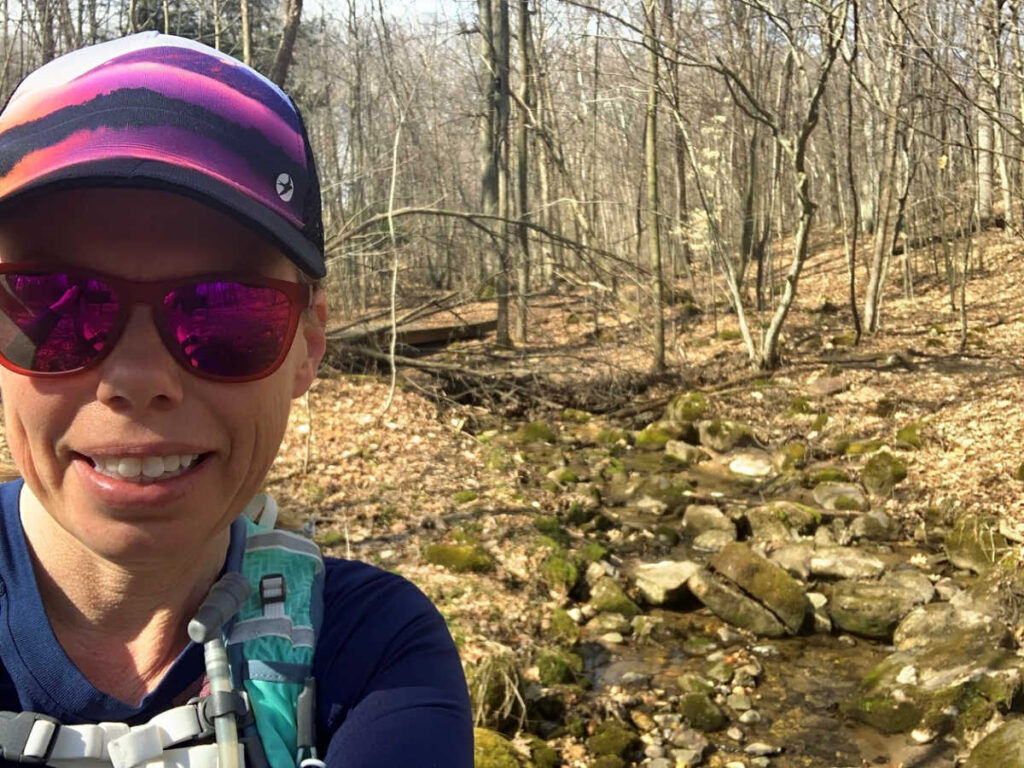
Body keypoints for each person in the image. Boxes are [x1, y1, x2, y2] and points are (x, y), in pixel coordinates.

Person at [0, 32, 473, 768]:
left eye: (224, 311)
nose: (137, 378)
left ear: (308, 345)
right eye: (56, 305)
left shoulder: (369, 654)